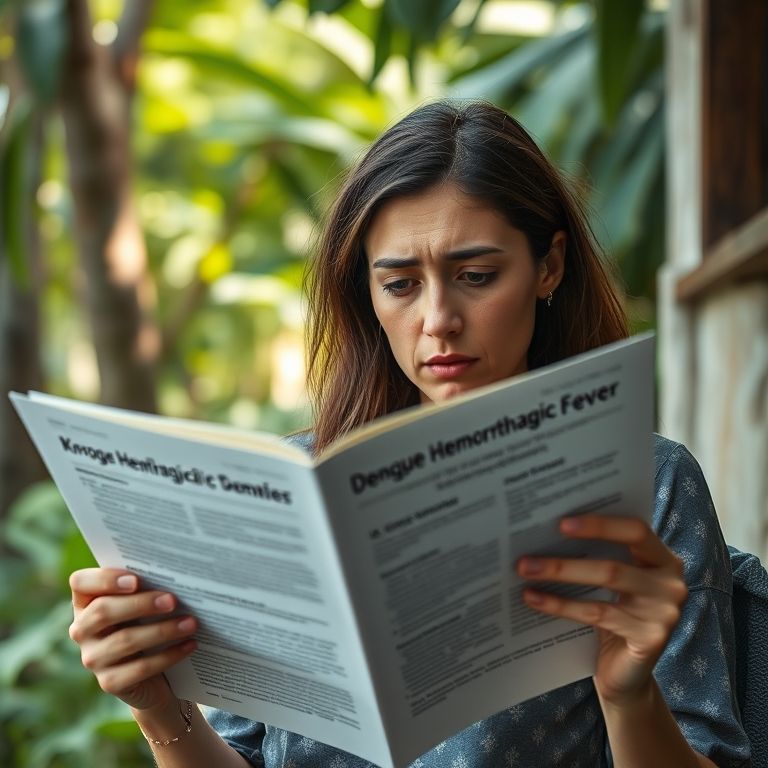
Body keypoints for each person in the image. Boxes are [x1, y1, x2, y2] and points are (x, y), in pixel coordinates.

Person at [68, 100, 751, 767]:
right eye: (399, 285)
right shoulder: (292, 489)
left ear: (550, 265)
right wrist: (158, 707)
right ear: (364, 292)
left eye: (476, 277)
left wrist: (627, 697)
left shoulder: (648, 484)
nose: (438, 319)